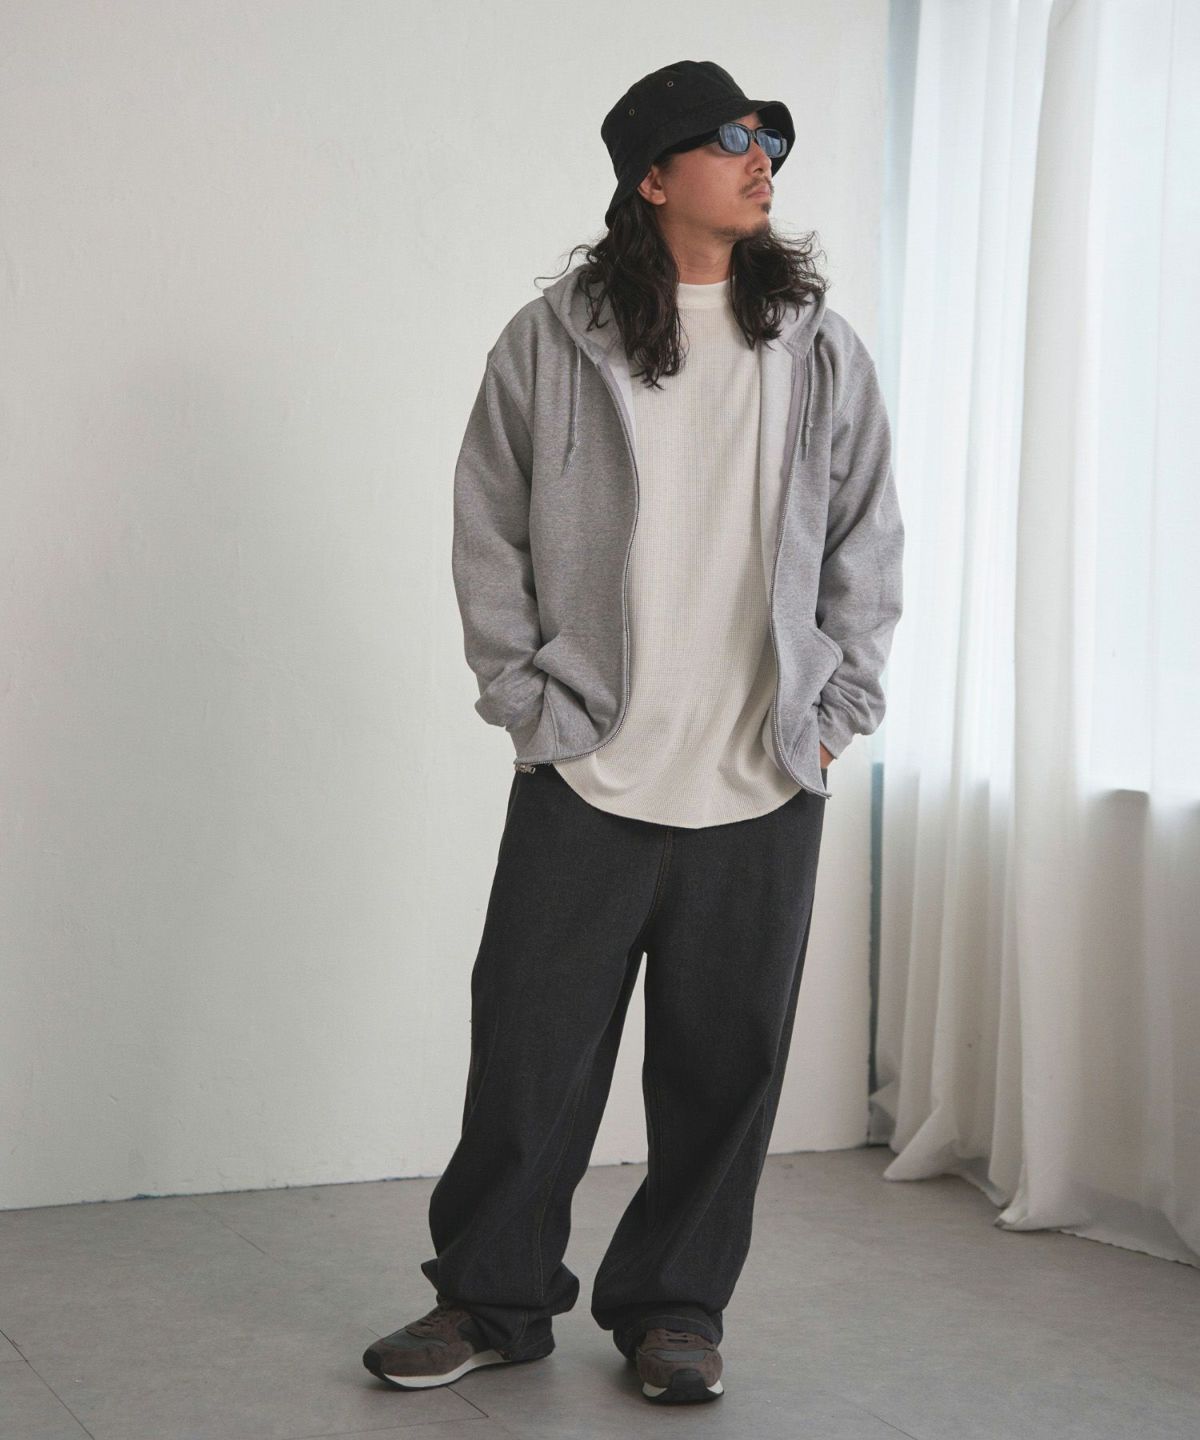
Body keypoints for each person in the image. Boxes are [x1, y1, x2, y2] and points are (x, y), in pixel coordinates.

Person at [364, 59, 904, 1406]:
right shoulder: (552, 342)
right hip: (590, 769)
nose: (760, 157)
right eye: (727, 138)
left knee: (726, 1072)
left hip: (761, 772)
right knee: (529, 1058)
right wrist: (529, 702)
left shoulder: (818, 348)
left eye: (770, 137)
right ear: (652, 177)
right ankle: (491, 1298)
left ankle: (675, 1310)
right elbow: (487, 525)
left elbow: (866, 540)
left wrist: (834, 714)